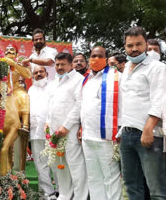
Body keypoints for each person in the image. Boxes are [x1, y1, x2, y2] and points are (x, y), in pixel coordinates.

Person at [60, 46, 123, 200]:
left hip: (107, 136)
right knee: (94, 178)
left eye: (99, 56)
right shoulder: (86, 80)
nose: (95, 59)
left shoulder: (117, 77)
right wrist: (81, 127)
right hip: (88, 137)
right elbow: (81, 106)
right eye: (93, 56)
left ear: (106, 59)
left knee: (110, 177)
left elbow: (122, 105)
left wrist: (120, 130)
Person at [119, 26, 166, 200]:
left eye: (138, 44)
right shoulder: (127, 68)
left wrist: (148, 128)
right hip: (127, 133)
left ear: (146, 44)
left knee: (156, 189)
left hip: (148, 134)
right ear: (125, 46)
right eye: (130, 45)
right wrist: (121, 130)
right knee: (132, 186)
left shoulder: (157, 67)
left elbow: (159, 99)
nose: (134, 49)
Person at [46, 53, 88, 200]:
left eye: (63, 64)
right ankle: (64, 195)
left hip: (70, 130)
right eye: (57, 65)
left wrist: (66, 126)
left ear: (71, 65)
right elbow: (51, 105)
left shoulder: (79, 80)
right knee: (60, 164)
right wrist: (48, 123)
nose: (59, 67)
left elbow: (79, 105)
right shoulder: (54, 81)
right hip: (55, 131)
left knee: (76, 166)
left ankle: (80, 196)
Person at [28, 66, 56, 200]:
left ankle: (61, 191)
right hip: (35, 131)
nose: (38, 74)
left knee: (55, 162)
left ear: (46, 73)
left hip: (53, 130)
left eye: (41, 72)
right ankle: (48, 192)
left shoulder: (54, 85)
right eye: (35, 73)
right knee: (41, 164)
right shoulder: (30, 89)